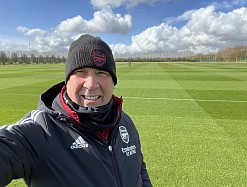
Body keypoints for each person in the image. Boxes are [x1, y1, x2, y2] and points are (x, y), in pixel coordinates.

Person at [0, 34, 152, 187]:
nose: (91, 84)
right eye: (81, 72)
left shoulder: (124, 121)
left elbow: (139, 169)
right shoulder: (40, 130)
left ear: (113, 82)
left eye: (102, 73)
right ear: (67, 81)